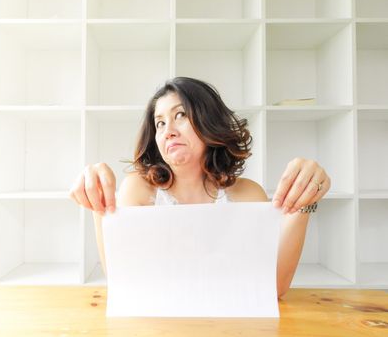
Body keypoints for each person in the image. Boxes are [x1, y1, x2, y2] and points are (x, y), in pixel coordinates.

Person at [69, 77, 330, 298]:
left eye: (180, 115)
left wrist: (304, 202)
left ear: (208, 121)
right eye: (159, 123)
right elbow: (123, 282)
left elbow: (273, 288)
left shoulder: (248, 194)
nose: (167, 131)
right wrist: (98, 206)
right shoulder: (138, 190)